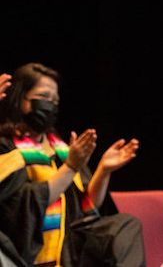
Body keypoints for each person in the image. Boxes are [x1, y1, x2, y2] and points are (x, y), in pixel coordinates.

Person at [0, 63, 144, 267]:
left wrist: (103, 170)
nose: (50, 105)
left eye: (55, 101)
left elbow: (86, 208)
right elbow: (24, 204)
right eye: (43, 97)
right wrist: (70, 168)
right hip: (25, 247)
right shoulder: (6, 148)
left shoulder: (61, 150)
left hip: (69, 246)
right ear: (20, 98)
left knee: (125, 225)